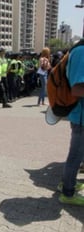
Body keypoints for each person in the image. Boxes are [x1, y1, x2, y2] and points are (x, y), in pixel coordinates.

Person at [57, 40, 84, 205]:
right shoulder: (81, 52)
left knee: (77, 155)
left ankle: (67, 182)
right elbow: (77, 88)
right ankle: (68, 193)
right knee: (75, 156)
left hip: (80, 115)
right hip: (81, 116)